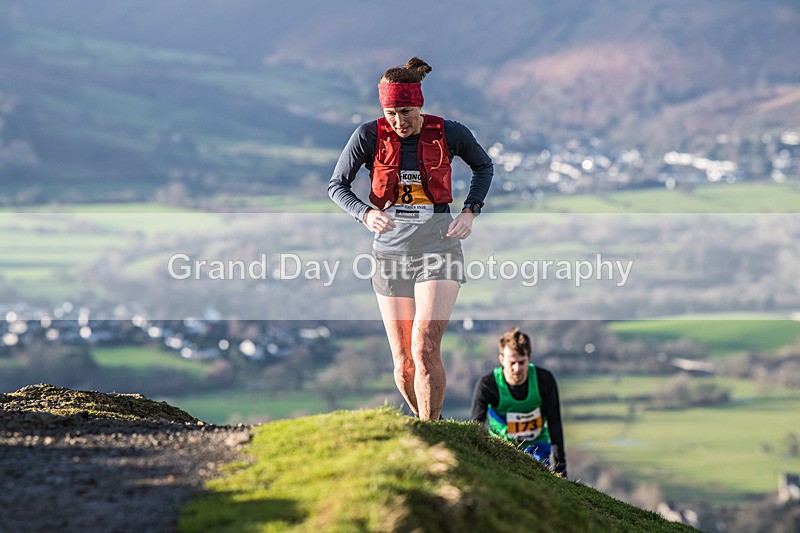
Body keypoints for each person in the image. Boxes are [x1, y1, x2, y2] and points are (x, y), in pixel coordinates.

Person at [328, 57, 493, 421]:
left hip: (439, 248)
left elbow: (483, 166)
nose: (399, 121)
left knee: (424, 346)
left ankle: (433, 430)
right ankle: (427, 427)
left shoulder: (450, 133)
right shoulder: (368, 136)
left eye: (405, 111)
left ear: (419, 104)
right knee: (404, 363)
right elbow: (336, 186)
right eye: (391, 113)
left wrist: (470, 211)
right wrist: (365, 212)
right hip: (389, 255)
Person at [471, 327, 567, 478]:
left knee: (537, 481)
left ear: (529, 357)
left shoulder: (544, 380)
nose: (517, 368)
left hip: (537, 447)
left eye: (522, 362)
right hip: (500, 446)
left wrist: (560, 463)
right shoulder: (488, 385)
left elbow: (554, 421)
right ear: (502, 359)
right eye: (512, 362)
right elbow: (476, 425)